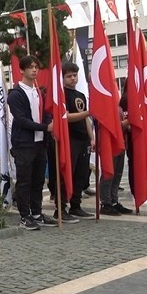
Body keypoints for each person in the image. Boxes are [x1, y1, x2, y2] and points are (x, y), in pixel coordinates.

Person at [7, 55, 58, 230]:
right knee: (24, 181)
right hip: (24, 144)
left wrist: (49, 124)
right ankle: (24, 216)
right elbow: (21, 120)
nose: (34, 70)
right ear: (22, 70)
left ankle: (37, 212)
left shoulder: (39, 91)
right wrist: (46, 127)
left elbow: (47, 112)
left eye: (36, 66)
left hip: (40, 143)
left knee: (38, 180)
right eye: (30, 67)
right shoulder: (15, 94)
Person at [49, 63, 94, 221]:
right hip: (70, 138)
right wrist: (88, 112)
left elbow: (86, 118)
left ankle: (76, 205)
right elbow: (65, 116)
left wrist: (92, 137)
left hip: (83, 139)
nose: (73, 78)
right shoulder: (62, 96)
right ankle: (60, 209)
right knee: (66, 173)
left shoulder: (80, 95)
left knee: (81, 174)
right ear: (62, 78)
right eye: (69, 76)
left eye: (75, 75)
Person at [100, 105, 134, 215]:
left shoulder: (119, 107)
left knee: (117, 175)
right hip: (109, 143)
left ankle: (114, 201)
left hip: (121, 142)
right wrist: (129, 121)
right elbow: (110, 125)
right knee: (108, 174)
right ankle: (106, 203)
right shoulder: (105, 105)